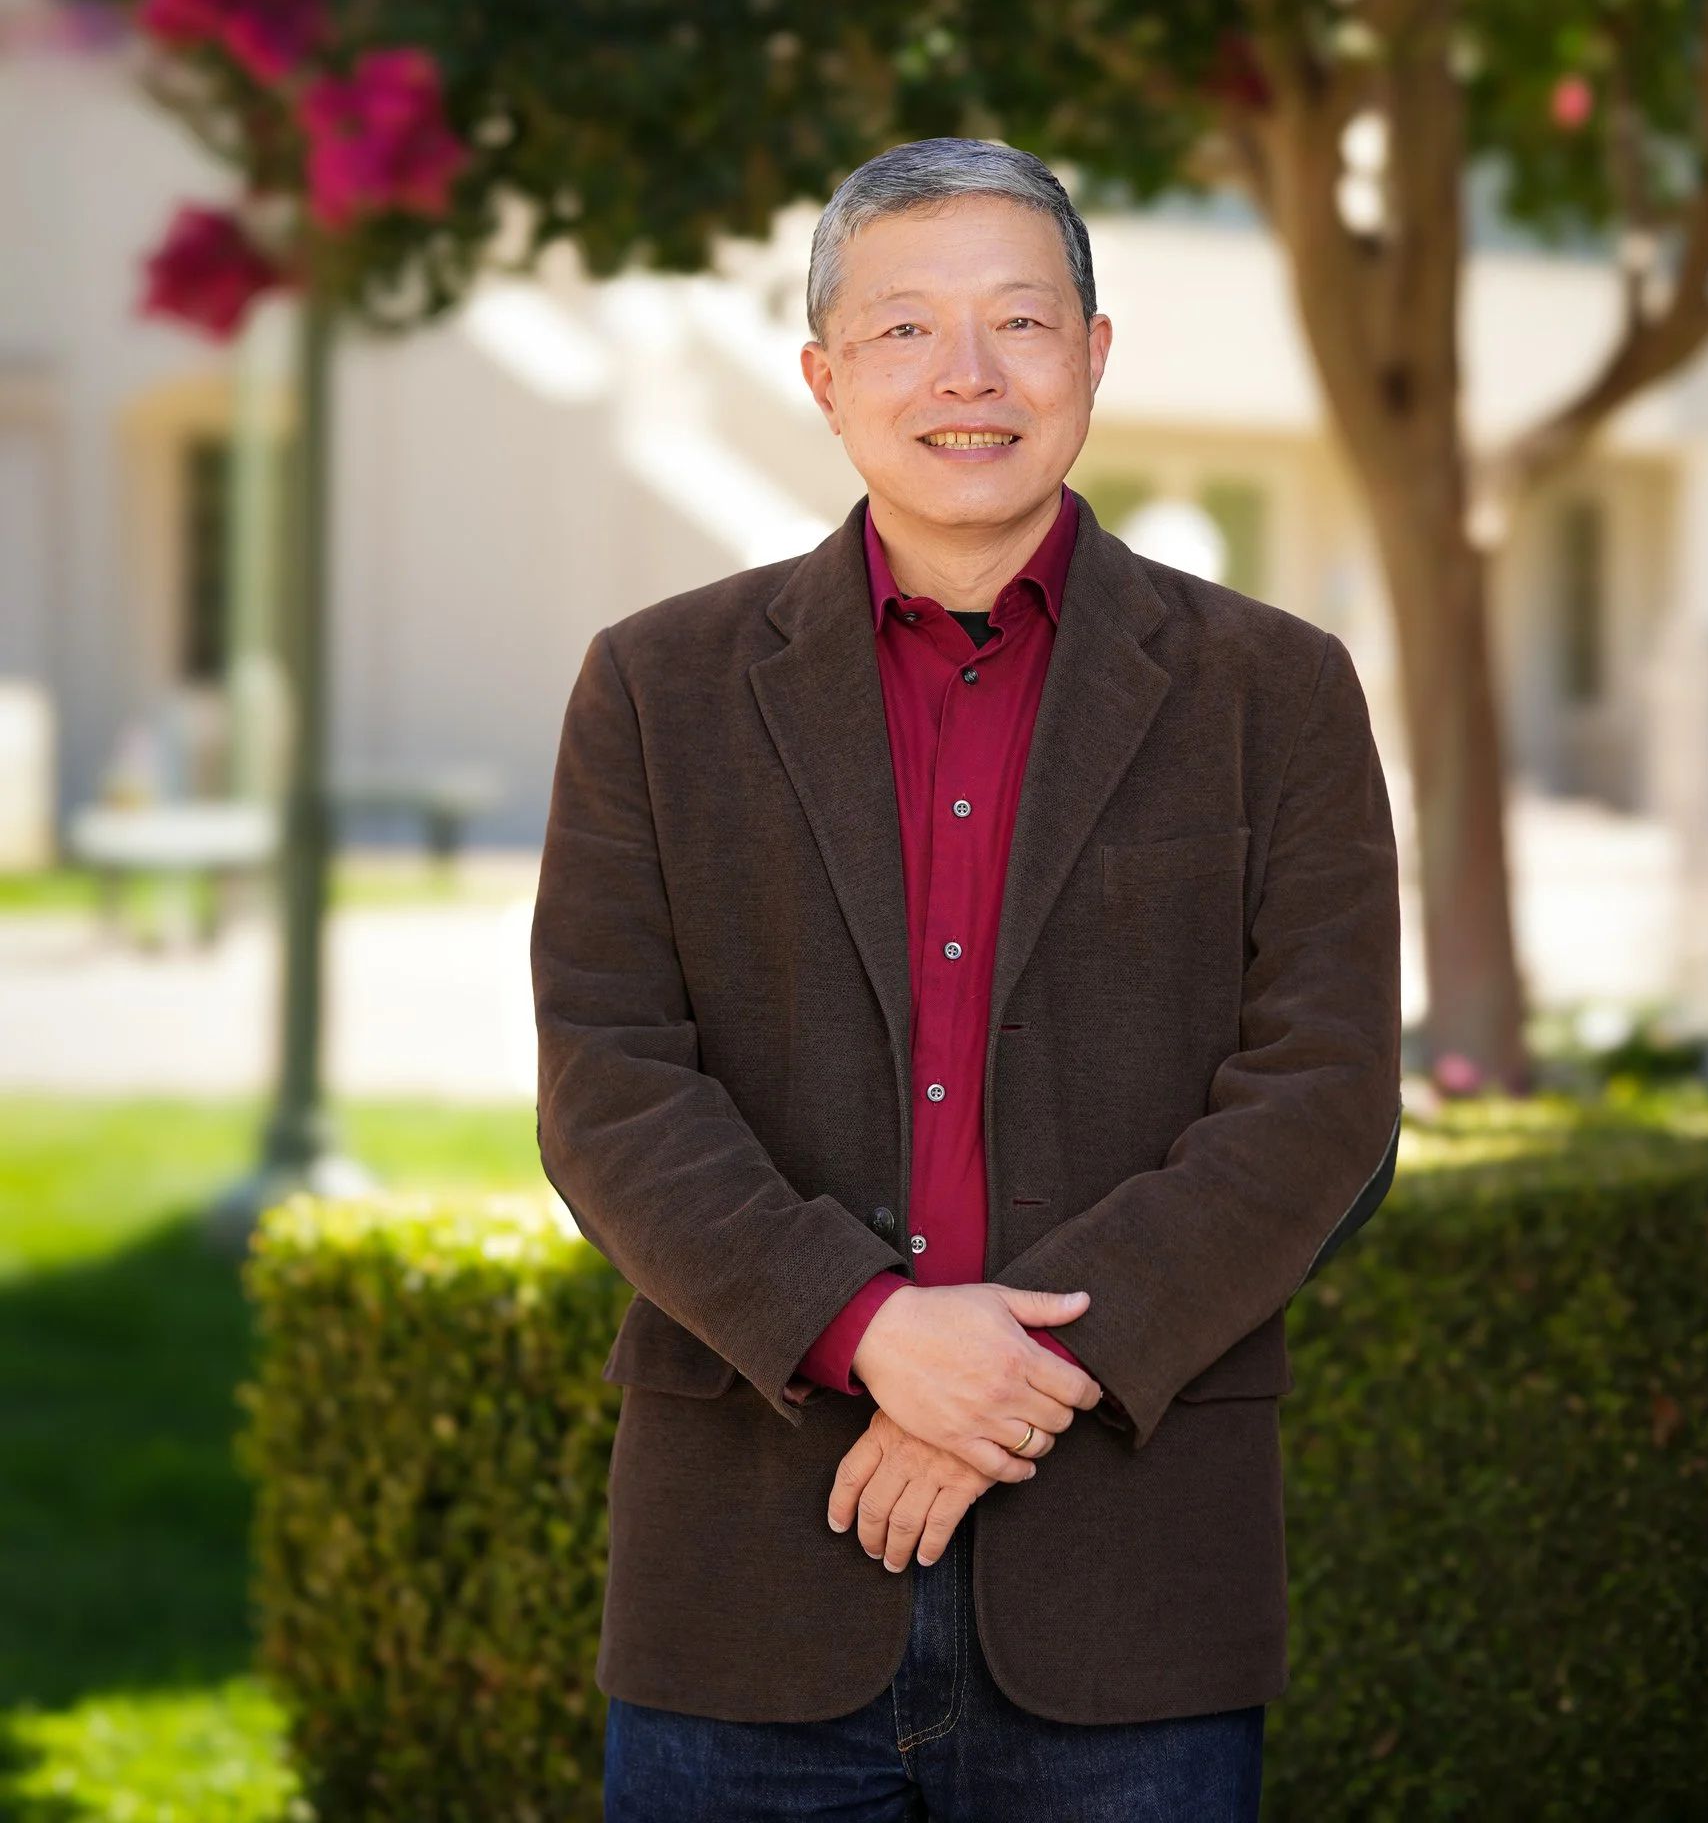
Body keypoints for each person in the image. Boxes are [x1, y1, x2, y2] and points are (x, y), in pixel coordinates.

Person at [531, 136, 1403, 1823]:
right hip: (747, 1588)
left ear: (1093, 357)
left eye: (1020, 322)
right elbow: (612, 1087)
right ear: (824, 379)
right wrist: (860, 1328)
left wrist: (998, 1382)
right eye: (907, 330)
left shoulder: (1274, 692)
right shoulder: (656, 689)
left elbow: (1323, 1098)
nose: (970, 377)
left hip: (1132, 1600)